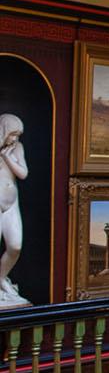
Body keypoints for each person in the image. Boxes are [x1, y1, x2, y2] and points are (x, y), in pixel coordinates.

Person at [0, 114, 29, 307]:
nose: (15, 138)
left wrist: (7, 157)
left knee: (15, 246)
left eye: (18, 134)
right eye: (12, 134)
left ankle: (1, 278)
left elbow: (23, 173)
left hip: (11, 204)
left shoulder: (17, 148)